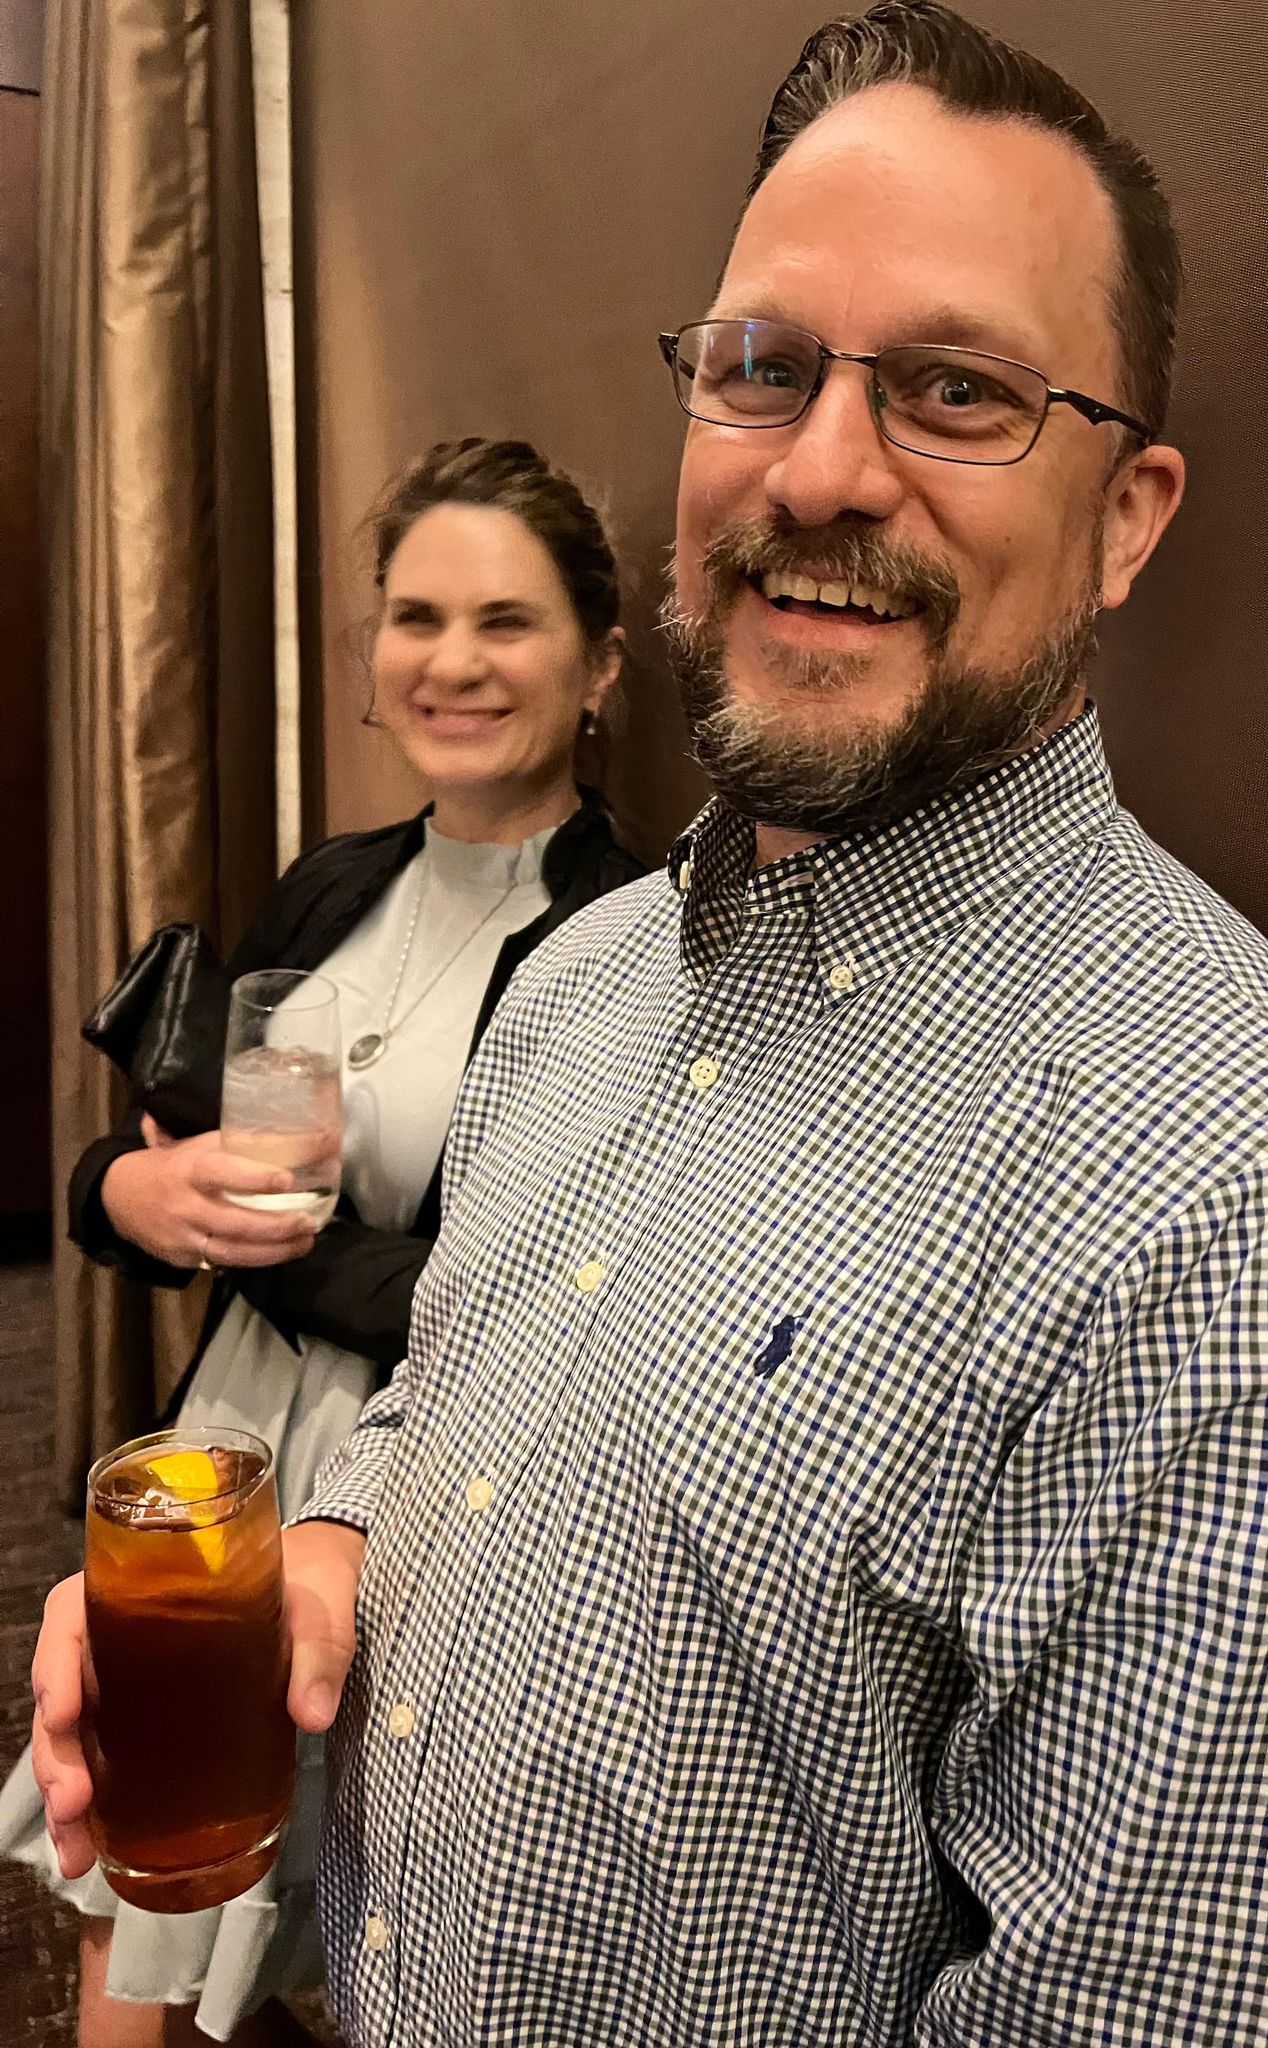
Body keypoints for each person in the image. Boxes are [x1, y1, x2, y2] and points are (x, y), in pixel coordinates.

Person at [34, 6, 1268, 2044]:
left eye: (956, 390)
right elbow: (448, 1394)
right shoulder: (574, 991)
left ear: (1129, 512)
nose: (822, 470)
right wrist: (330, 1539)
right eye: (761, 367)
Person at [7, 436, 644, 2046]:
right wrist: (121, 1197)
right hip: (229, 1438)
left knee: (368, 1894)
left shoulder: (624, 941)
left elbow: (531, 1290)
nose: (453, 660)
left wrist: (258, 1251)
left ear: (600, 665)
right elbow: (191, 1161)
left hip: (426, 1471)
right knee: (139, 1880)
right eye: (416, 617)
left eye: (506, 621)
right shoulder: (329, 889)